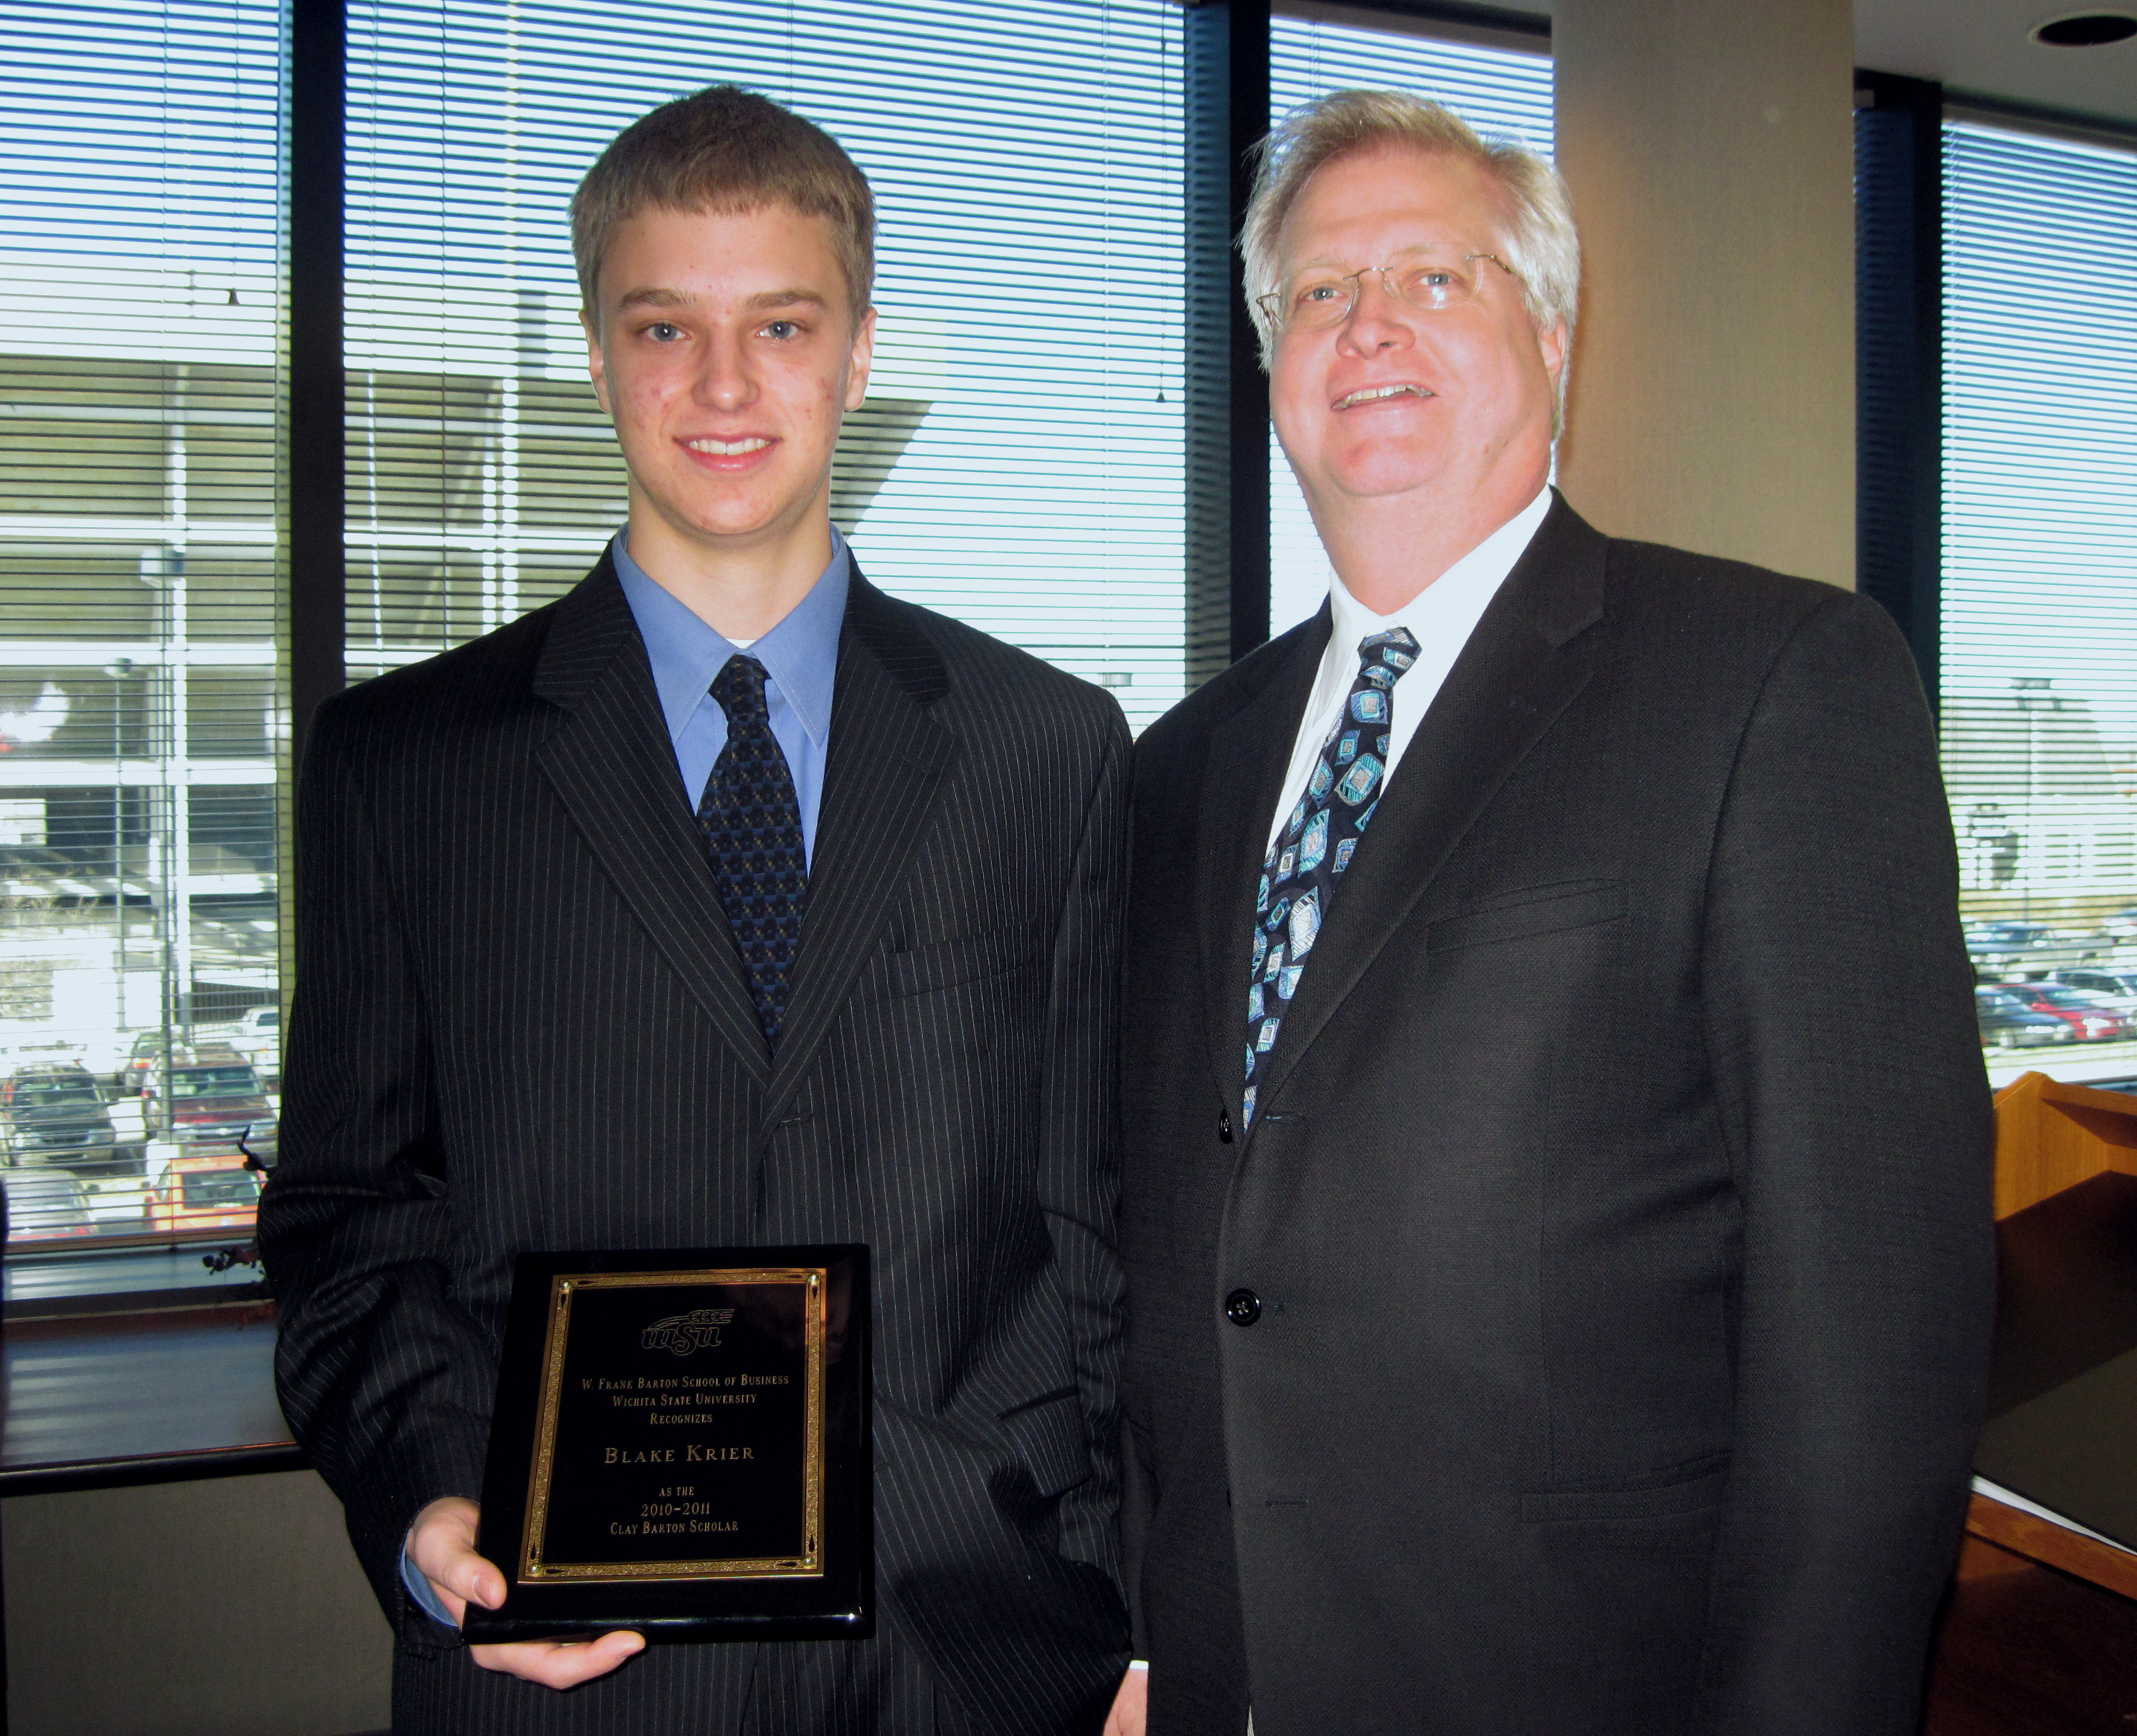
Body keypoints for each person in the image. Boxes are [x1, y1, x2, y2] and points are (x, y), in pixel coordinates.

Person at [1109, 89, 1993, 1736]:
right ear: (1271, 365)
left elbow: (1872, 1351)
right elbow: (1172, 1262)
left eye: (1436, 278)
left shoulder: (1773, 685)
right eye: (1317, 291)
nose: (1368, 325)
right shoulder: (1177, 769)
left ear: (1557, 333)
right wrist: (1158, 1637)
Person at [262, 85, 1132, 1735]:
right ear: (595, 354)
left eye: (781, 324)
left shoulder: (1048, 748)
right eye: (664, 325)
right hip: (571, 1660)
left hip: (982, 1656)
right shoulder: (407, 763)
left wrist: (1132, 1620)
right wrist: (434, 1496)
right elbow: (350, 1215)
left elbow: (1091, 1231)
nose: (723, 385)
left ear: (858, 351)